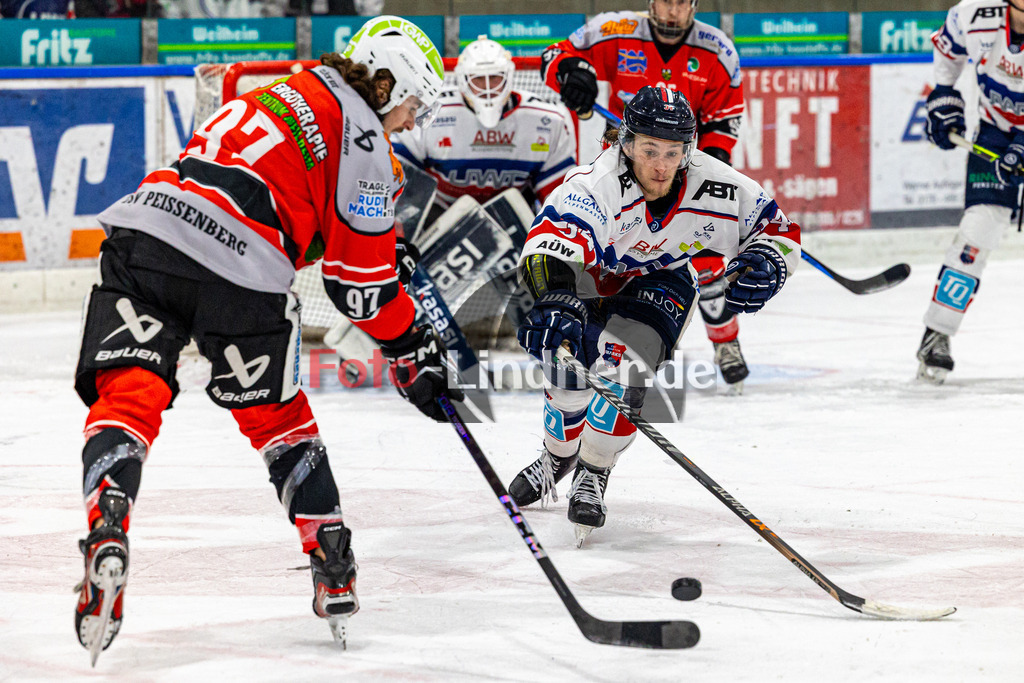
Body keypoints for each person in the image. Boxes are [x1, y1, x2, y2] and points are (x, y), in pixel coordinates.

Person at [71, 16, 462, 663]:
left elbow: (281, 188)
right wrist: (411, 345)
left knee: (129, 393)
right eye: (412, 104)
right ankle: (332, 560)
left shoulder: (288, 87)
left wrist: (369, 243)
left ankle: (107, 520)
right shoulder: (367, 138)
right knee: (278, 420)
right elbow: (360, 292)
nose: (409, 121)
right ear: (387, 82)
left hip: (148, 232)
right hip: (240, 268)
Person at [506, 86, 801, 546]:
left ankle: (594, 472)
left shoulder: (716, 183)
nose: (661, 165)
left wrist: (769, 261)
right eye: (649, 150)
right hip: (592, 276)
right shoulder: (595, 183)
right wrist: (556, 299)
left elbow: (777, 229)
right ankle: (558, 456)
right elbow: (551, 243)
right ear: (626, 144)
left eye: (672, 151)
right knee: (568, 378)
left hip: (662, 280)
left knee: (626, 370)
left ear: (688, 149)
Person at [539, 0, 751, 391]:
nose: (672, 11)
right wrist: (571, 74)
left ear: (694, 5)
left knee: (704, 256)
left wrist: (711, 165)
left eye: (681, 2)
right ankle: (600, 341)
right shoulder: (615, 30)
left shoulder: (717, 50)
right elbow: (555, 54)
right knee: (613, 257)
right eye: (665, 0)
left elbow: (724, 121)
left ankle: (725, 340)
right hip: (624, 171)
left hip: (680, 169)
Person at [919, 0, 1024, 383]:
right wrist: (944, 94)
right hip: (995, 133)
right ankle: (937, 334)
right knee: (975, 237)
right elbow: (948, 50)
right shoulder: (974, 13)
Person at [392, 35, 577, 224]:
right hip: (440, 218)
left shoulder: (549, 120)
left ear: (508, 77)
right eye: (478, 79)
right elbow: (399, 182)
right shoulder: (429, 113)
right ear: (463, 80)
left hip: (513, 220)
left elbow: (560, 202)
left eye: (495, 77)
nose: (487, 88)